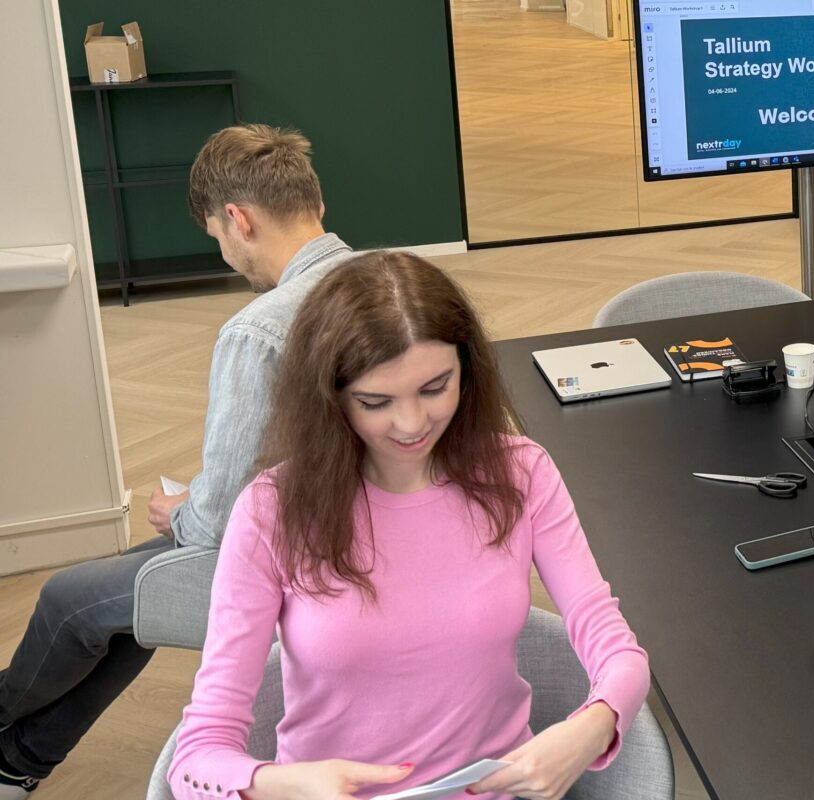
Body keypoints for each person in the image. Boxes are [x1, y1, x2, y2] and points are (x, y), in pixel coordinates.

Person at [168, 252, 651, 800]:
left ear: (467, 370)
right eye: (376, 402)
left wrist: (594, 726)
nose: (412, 423)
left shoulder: (522, 473)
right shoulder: (271, 510)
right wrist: (282, 785)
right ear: (330, 399)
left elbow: (620, 653)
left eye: (434, 387)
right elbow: (195, 761)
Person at [0, 124, 355, 799]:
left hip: (287, 562)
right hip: (335, 525)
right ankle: (17, 762)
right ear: (316, 203)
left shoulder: (260, 329)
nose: (227, 256)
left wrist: (180, 510)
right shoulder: (386, 281)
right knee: (120, 603)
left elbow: (214, 526)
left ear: (239, 220)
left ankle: (8, 738)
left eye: (218, 237)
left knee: (69, 600)